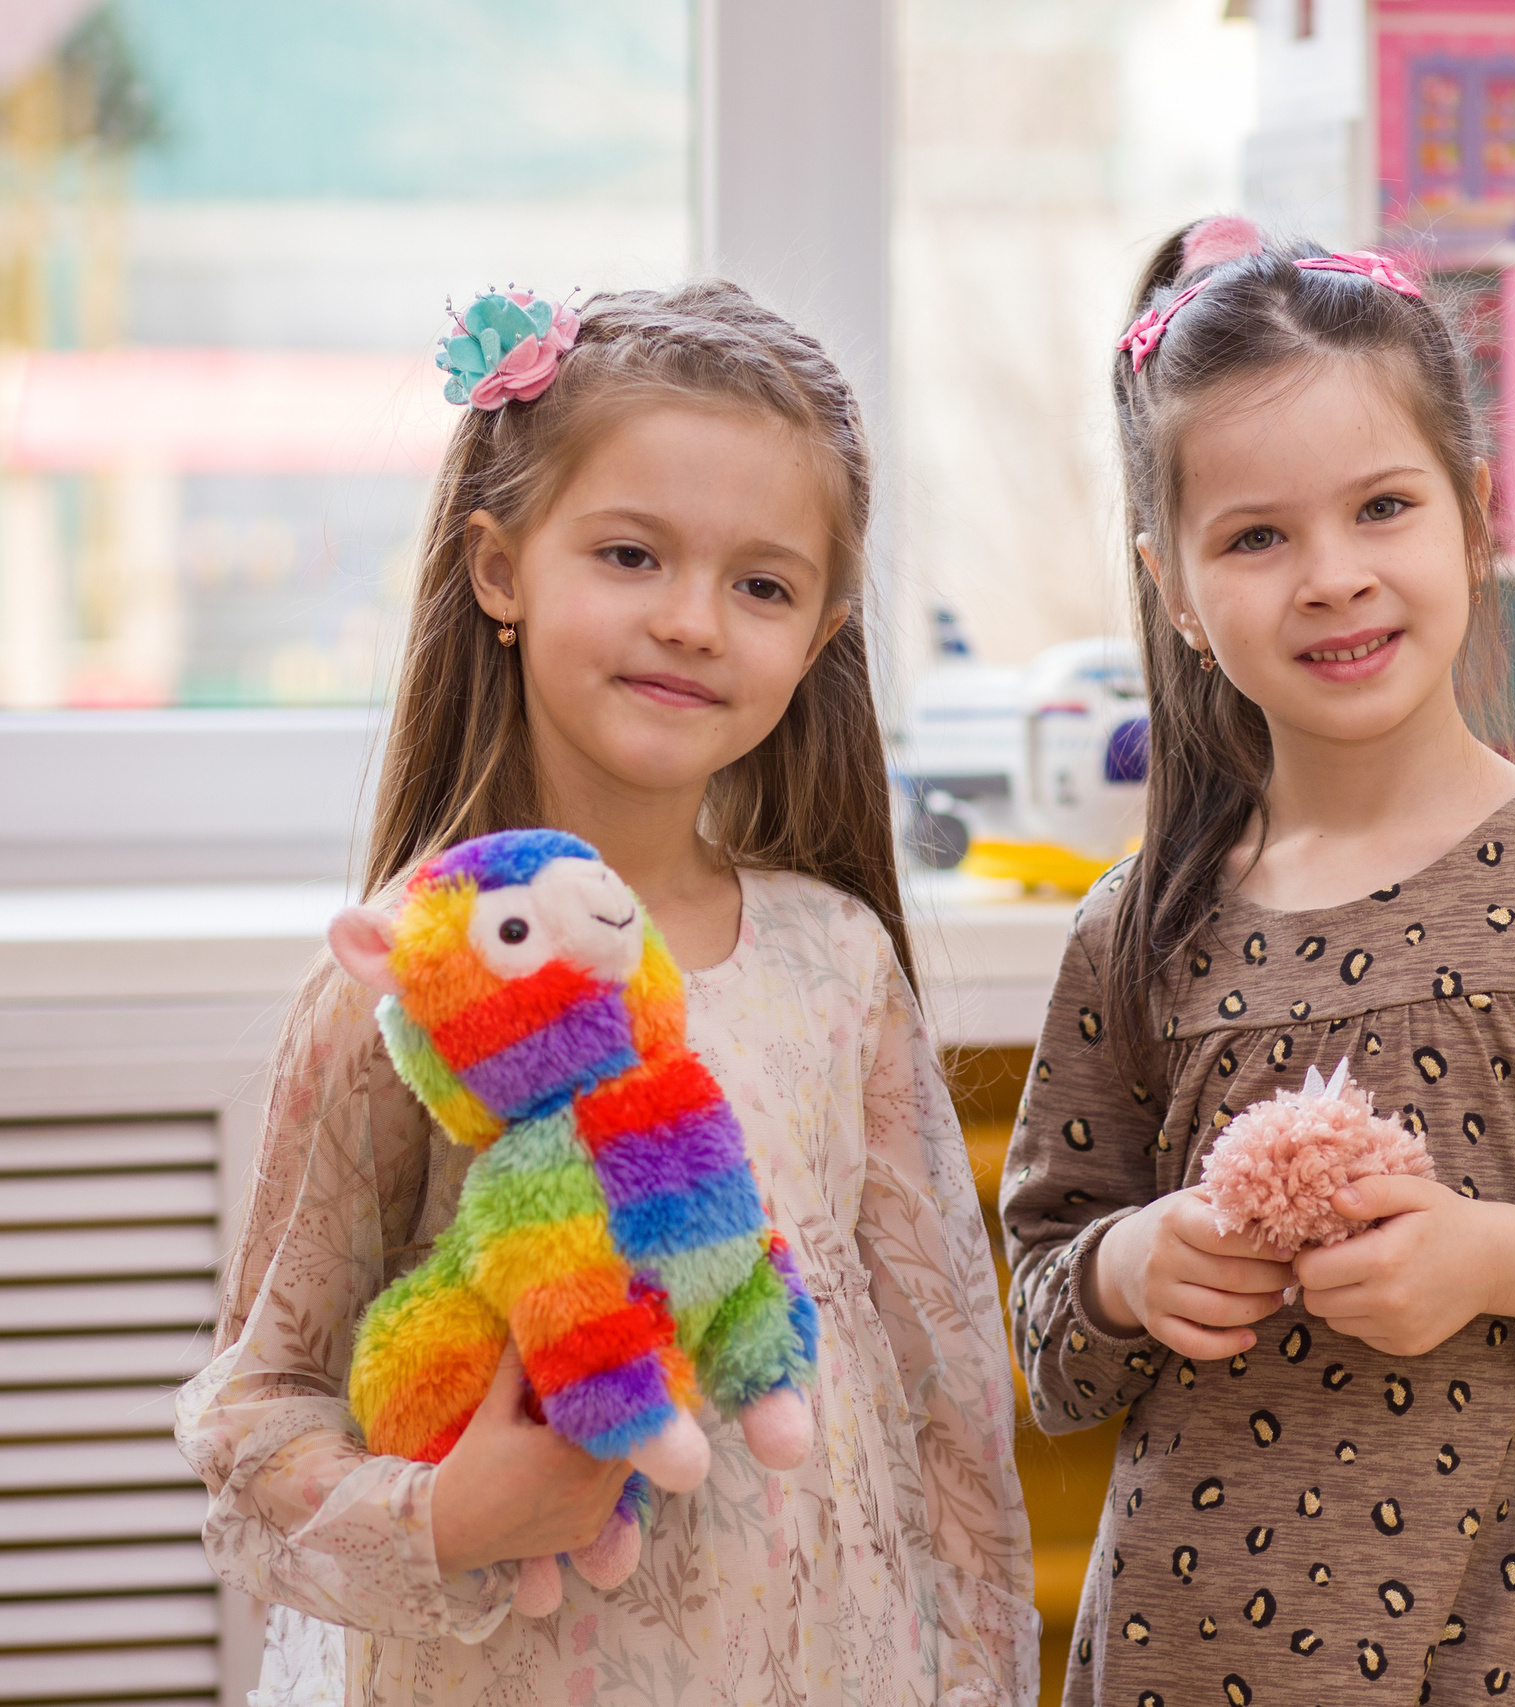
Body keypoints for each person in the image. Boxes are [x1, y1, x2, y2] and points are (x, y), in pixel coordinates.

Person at [1000, 218, 1515, 1706]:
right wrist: (1131, 1272)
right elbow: (1050, 1326)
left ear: (1471, 513)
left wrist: (1505, 1258)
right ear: (1177, 590)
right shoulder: (1131, 935)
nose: (1331, 577)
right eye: (1256, 537)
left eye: (1381, 508)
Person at [177, 282, 1035, 1706]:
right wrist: (449, 1519)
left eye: (761, 584)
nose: (694, 621)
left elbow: (944, 1393)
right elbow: (255, 1416)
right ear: (500, 571)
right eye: (632, 554)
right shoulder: (402, 983)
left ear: (819, 635)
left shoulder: (838, 963)